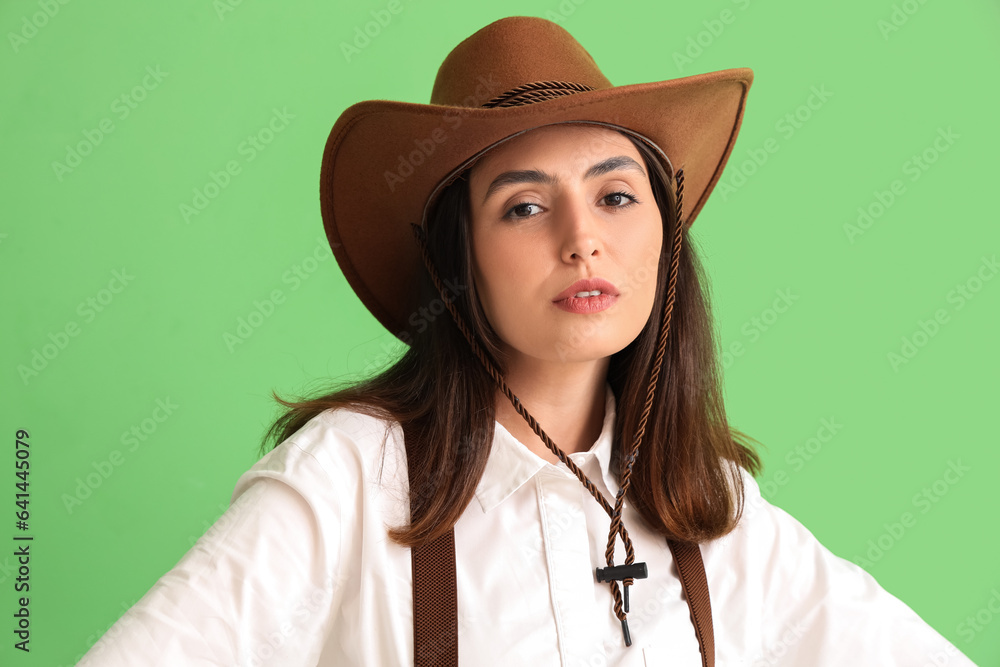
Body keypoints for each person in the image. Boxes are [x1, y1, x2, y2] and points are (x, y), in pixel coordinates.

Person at [79, 16, 978, 667]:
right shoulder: (348, 479)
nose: (582, 237)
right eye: (524, 205)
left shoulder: (714, 510)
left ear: (663, 231)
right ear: (458, 258)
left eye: (616, 195)